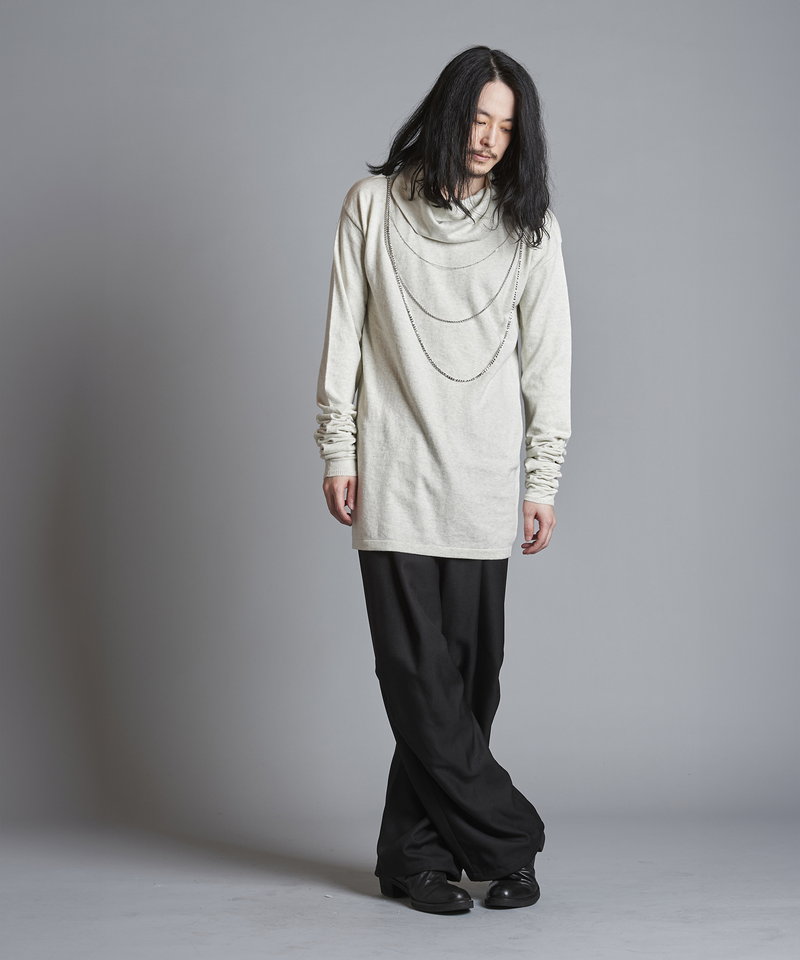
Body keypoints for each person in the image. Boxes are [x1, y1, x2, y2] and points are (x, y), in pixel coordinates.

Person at [312, 45, 572, 914]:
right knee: (415, 678)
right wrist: (339, 450)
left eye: (507, 127)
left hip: (485, 481)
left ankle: (414, 859)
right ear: (448, 113)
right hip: (392, 472)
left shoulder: (530, 227)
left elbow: (549, 364)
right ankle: (508, 842)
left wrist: (542, 479)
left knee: (468, 681)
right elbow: (343, 337)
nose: (490, 139)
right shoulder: (372, 206)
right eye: (479, 119)